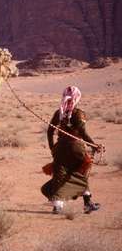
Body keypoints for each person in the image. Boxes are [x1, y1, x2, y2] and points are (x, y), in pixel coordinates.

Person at [41, 86, 101, 214]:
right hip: (76, 149)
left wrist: (53, 148)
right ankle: (87, 203)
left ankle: (58, 205)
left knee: (59, 176)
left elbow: (50, 131)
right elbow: (83, 133)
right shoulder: (78, 113)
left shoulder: (59, 113)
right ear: (77, 97)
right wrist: (94, 145)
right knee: (80, 174)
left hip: (60, 149)